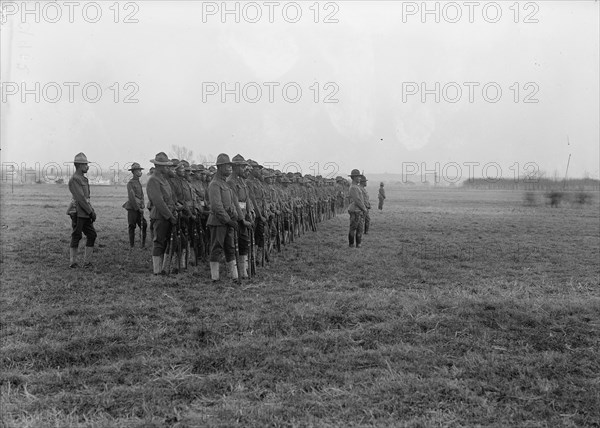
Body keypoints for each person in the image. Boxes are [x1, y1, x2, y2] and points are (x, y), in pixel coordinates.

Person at [207, 153, 242, 282]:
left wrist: (235, 217)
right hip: (218, 222)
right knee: (216, 248)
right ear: (220, 167)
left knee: (230, 248)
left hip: (228, 222)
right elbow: (217, 207)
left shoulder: (225, 184)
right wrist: (228, 220)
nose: (230, 168)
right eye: (227, 166)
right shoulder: (215, 184)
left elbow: (231, 203)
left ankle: (234, 276)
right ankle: (215, 278)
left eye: (230, 166)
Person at [146, 152, 177, 275]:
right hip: (160, 216)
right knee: (159, 242)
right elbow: (159, 202)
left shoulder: (163, 180)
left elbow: (170, 199)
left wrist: (173, 212)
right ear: (158, 167)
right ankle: (157, 271)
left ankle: (165, 269)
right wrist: (169, 216)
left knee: (166, 242)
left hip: (167, 215)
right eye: (165, 166)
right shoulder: (153, 180)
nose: (167, 168)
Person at [66, 152, 97, 268]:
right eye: (85, 165)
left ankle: (87, 262)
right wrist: (91, 212)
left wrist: (90, 210)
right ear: (79, 165)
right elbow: (80, 199)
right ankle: (73, 262)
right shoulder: (75, 179)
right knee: (76, 236)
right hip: (78, 212)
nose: (87, 167)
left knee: (92, 235)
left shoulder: (83, 179)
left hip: (85, 212)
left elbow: (87, 199)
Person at [227, 154, 255, 278]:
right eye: (242, 166)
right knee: (233, 244)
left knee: (244, 242)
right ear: (236, 167)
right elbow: (234, 202)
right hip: (235, 216)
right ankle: (234, 272)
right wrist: (242, 219)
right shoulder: (230, 181)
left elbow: (247, 199)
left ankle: (244, 270)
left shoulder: (241, 180)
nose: (244, 169)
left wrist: (250, 212)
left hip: (244, 215)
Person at [123, 162, 147, 248]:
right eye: (138, 170)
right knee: (132, 226)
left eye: (140, 170)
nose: (140, 172)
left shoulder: (138, 182)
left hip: (139, 208)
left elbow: (142, 195)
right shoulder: (130, 183)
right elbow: (132, 197)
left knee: (144, 225)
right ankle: (132, 245)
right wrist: (137, 208)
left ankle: (142, 244)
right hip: (132, 208)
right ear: (134, 172)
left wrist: (143, 204)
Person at [347, 169, 367, 248]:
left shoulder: (356, 187)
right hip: (355, 210)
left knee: (360, 228)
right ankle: (351, 244)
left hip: (358, 210)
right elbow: (357, 200)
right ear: (354, 177)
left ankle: (358, 244)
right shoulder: (353, 188)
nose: (360, 178)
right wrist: (364, 208)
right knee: (353, 228)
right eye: (358, 177)